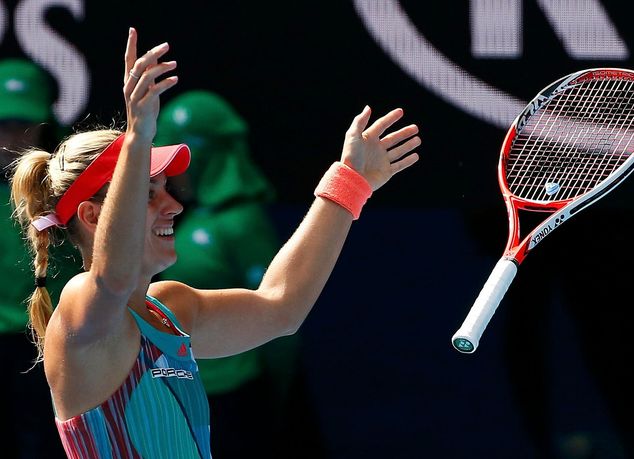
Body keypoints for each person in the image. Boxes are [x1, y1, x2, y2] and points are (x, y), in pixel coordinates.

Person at [9, 27, 420, 458]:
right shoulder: (79, 307)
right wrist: (136, 138)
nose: (173, 205)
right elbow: (113, 278)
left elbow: (281, 306)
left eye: (166, 187)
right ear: (93, 215)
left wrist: (349, 182)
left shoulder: (173, 310)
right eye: (149, 193)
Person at [155, 90, 325, 457]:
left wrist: (278, 398)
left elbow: (280, 320)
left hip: (236, 400)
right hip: (187, 395)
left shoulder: (239, 223)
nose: (169, 174)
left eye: (179, 159)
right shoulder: (181, 219)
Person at [0, 57, 81, 458]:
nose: (11, 137)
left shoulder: (74, 179)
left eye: (23, 124)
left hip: (61, 336)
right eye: (3, 125)